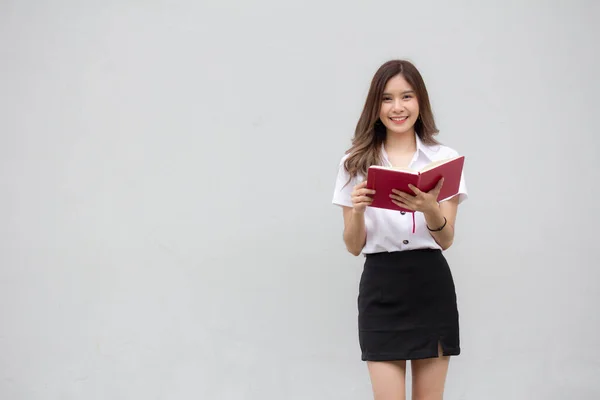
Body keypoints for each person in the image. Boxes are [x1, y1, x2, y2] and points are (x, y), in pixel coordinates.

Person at [331, 59, 468, 400]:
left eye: (406, 97)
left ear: (420, 101)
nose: (397, 108)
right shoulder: (355, 162)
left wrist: (429, 208)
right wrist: (358, 210)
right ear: (375, 105)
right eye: (387, 98)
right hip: (381, 286)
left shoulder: (443, 159)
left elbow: (447, 239)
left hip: (429, 284)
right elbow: (352, 245)